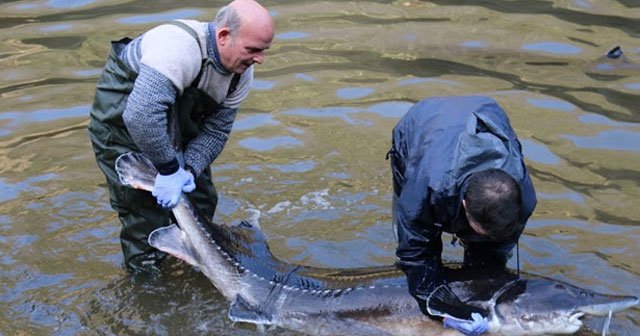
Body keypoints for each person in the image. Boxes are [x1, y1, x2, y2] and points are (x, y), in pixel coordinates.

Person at [88, 0, 274, 273]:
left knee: (202, 200)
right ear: (224, 36)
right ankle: (148, 285)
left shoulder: (241, 73)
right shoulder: (178, 47)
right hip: (125, 122)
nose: (259, 58)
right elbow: (141, 115)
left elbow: (216, 130)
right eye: (253, 49)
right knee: (145, 216)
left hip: (179, 124)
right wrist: (167, 169)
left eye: (264, 50)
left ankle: (195, 268)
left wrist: (187, 170)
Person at [387, 96, 537, 334]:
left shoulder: (524, 199)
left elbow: (499, 248)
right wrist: (441, 309)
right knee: (418, 251)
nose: (484, 236)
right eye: (480, 230)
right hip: (423, 125)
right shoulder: (425, 190)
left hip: (483, 112)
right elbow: (415, 253)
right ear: (464, 204)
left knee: (487, 261)